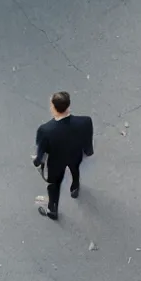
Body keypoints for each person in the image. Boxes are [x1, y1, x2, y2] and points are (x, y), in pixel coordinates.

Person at [33, 91, 94, 220]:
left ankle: (52, 209)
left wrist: (37, 161)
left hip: (56, 162)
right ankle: (75, 187)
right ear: (68, 106)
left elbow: (41, 151)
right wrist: (88, 151)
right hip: (75, 155)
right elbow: (87, 140)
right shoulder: (85, 121)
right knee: (75, 169)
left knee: (54, 185)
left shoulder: (45, 130)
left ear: (54, 108)